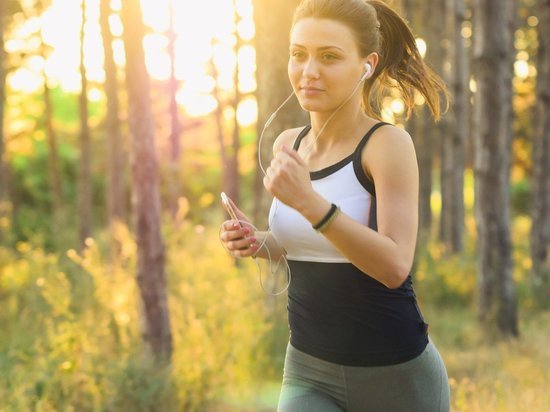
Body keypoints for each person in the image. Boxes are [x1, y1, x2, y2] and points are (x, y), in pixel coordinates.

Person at [219, 0, 451, 410]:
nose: (309, 71)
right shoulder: (287, 143)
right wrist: (258, 242)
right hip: (309, 369)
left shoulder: (386, 145)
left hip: (395, 374)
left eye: (329, 57)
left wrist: (310, 203)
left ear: (367, 64)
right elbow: (307, 244)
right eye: (298, 54)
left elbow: (395, 266)